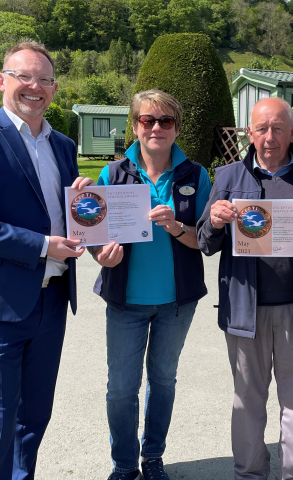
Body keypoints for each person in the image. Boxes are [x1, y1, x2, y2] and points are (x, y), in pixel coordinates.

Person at [0, 40, 87, 480]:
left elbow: (57, 213)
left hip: (52, 300)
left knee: (34, 418)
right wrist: (43, 245)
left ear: (55, 88)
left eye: (44, 79)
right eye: (24, 76)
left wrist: (81, 207)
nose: (34, 86)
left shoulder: (63, 145)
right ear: (2, 81)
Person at [196, 97, 293, 480]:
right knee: (248, 399)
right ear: (250, 133)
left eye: (278, 128)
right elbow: (206, 243)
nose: (270, 137)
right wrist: (213, 220)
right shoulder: (227, 177)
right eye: (262, 128)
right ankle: (249, 474)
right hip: (246, 311)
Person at [82, 89, 212, 480]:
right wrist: (100, 255)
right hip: (126, 300)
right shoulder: (113, 173)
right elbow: (95, 236)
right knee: (121, 388)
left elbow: (204, 240)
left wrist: (176, 226)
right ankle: (124, 464)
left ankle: (152, 458)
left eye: (165, 121)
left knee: (163, 381)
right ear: (135, 126)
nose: (156, 127)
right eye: (147, 120)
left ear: (176, 127)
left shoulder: (196, 175)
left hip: (176, 302)